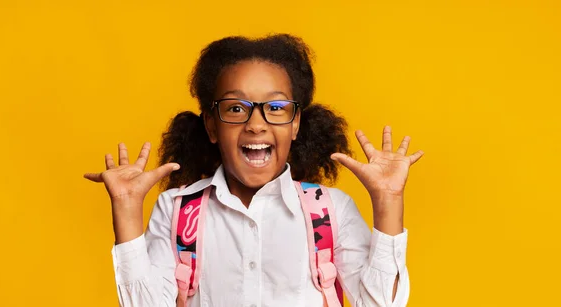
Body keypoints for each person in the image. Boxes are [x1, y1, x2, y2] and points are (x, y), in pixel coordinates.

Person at [84, 34, 424, 307]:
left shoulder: (331, 211)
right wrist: (127, 212)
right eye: (235, 107)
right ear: (212, 127)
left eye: (276, 107)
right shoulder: (176, 211)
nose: (256, 124)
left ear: (295, 124)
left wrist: (388, 201)